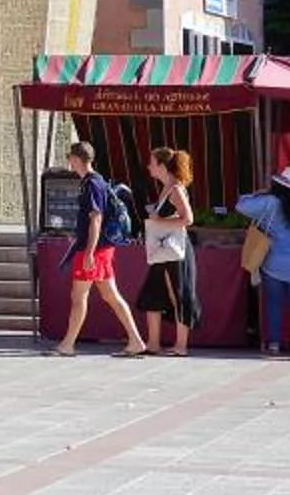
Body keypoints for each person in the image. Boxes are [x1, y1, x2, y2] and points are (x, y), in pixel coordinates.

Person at [52, 141, 151, 357]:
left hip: (93, 249)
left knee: (79, 297)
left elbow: (96, 219)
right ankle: (135, 340)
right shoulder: (97, 182)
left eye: (70, 157)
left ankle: (67, 344)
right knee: (111, 296)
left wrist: (88, 252)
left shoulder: (91, 184)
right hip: (103, 248)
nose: (69, 161)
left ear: (77, 159)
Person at [236, 167, 290, 356]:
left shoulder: (271, 202)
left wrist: (258, 193)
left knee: (273, 304)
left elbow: (241, 205)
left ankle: (274, 343)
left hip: (273, 261)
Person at [135, 148, 198, 357]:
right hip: (163, 251)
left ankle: (181, 346)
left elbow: (188, 219)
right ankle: (153, 343)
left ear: (162, 166)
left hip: (176, 251)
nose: (149, 167)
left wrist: (158, 220)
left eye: (152, 163)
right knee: (152, 293)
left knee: (179, 294)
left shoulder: (176, 190)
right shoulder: (166, 188)